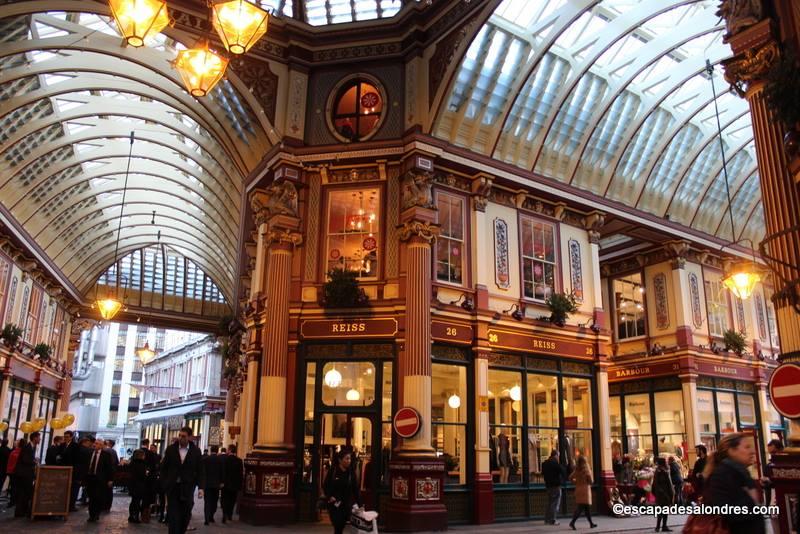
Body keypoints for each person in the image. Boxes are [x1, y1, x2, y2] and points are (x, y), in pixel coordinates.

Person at [704, 432, 765, 534]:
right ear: (732, 451)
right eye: (747, 447)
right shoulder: (722, 475)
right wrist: (751, 501)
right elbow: (726, 511)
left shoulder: (741, 472)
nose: (752, 452)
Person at [161, 426, 205, 534]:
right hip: (173, 488)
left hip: (187, 488)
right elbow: (164, 468)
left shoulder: (196, 451)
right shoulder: (171, 449)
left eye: (184, 436)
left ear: (189, 437)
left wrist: (201, 488)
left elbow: (200, 470)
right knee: (173, 516)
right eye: (179, 436)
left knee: (185, 516)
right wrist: (165, 483)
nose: (180, 438)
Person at [323, 449, 359, 534]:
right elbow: (325, 485)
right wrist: (329, 496)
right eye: (346, 459)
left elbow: (355, 489)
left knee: (340, 527)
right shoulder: (333, 471)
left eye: (350, 459)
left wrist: (360, 504)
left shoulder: (351, 473)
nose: (349, 461)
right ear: (340, 460)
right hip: (334, 505)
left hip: (346, 505)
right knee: (337, 526)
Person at [86, 437, 114, 522]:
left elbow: (110, 468)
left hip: (100, 480)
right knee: (91, 497)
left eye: (97, 444)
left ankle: (96, 514)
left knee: (97, 497)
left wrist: (110, 479)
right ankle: (91, 515)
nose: (95, 445)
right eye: (95, 443)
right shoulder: (90, 453)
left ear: (101, 446)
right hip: (90, 478)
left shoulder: (106, 455)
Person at [14, 432, 39, 518]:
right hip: (24, 474)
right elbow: (25, 460)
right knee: (22, 493)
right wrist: (34, 461)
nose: (40, 439)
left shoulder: (32, 447)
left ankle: (22, 511)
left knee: (25, 493)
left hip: (27, 474)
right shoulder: (27, 447)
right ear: (34, 438)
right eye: (39, 438)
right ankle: (19, 512)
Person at [568, 456, 596, 530]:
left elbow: (570, 477)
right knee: (581, 508)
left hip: (578, 489)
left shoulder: (576, 470)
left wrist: (575, 482)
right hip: (585, 490)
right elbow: (591, 481)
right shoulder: (586, 470)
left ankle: (591, 523)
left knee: (586, 509)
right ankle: (572, 522)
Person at [202, 444, 225, 525]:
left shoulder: (205, 459)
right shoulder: (220, 460)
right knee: (214, 501)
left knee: (207, 501)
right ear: (217, 450)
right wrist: (222, 482)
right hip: (216, 484)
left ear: (210, 450)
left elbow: (203, 473)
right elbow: (222, 472)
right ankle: (211, 516)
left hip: (207, 484)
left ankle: (206, 518)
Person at [542, 449, 565, 525]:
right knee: (555, 503)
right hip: (555, 486)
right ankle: (553, 519)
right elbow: (562, 471)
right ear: (556, 455)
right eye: (558, 456)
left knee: (550, 503)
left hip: (548, 486)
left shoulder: (545, 463)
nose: (558, 457)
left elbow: (543, 474)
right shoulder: (555, 463)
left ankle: (547, 519)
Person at [221, 444, 243, 523]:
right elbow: (240, 474)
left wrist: (222, 482)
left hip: (226, 484)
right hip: (235, 485)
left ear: (230, 450)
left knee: (225, 499)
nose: (226, 450)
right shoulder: (239, 460)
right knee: (232, 500)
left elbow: (223, 472)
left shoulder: (225, 460)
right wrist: (240, 485)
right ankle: (229, 515)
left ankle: (224, 513)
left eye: (227, 449)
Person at [127, 445, 148, 523]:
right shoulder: (141, 464)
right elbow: (142, 475)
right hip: (139, 485)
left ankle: (131, 516)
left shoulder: (132, 463)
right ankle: (136, 517)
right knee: (137, 502)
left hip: (132, 485)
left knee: (133, 501)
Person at [653, 457, 674, 532]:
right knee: (662, 510)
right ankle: (659, 526)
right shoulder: (661, 471)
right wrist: (666, 493)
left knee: (663, 510)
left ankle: (662, 526)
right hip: (663, 494)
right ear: (663, 463)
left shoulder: (660, 470)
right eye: (665, 462)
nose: (667, 463)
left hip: (662, 493)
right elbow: (661, 483)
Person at [761, 438, 783, 506]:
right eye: (771, 453)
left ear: (781, 450)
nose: (772, 455)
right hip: (772, 500)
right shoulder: (769, 466)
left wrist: (770, 480)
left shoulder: (787, 463)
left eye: (774, 452)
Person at [6, 438, 23, 508]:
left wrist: (8, 471)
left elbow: (10, 462)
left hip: (13, 472)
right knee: (15, 488)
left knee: (14, 488)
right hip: (14, 472)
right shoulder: (16, 452)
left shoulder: (15, 452)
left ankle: (13, 501)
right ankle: (13, 501)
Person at [103, 439, 119, 511]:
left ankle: (103, 505)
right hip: (112, 473)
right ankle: (108, 506)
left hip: (105, 473)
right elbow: (117, 462)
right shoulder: (114, 451)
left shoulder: (105, 451)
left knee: (104, 490)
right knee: (109, 490)